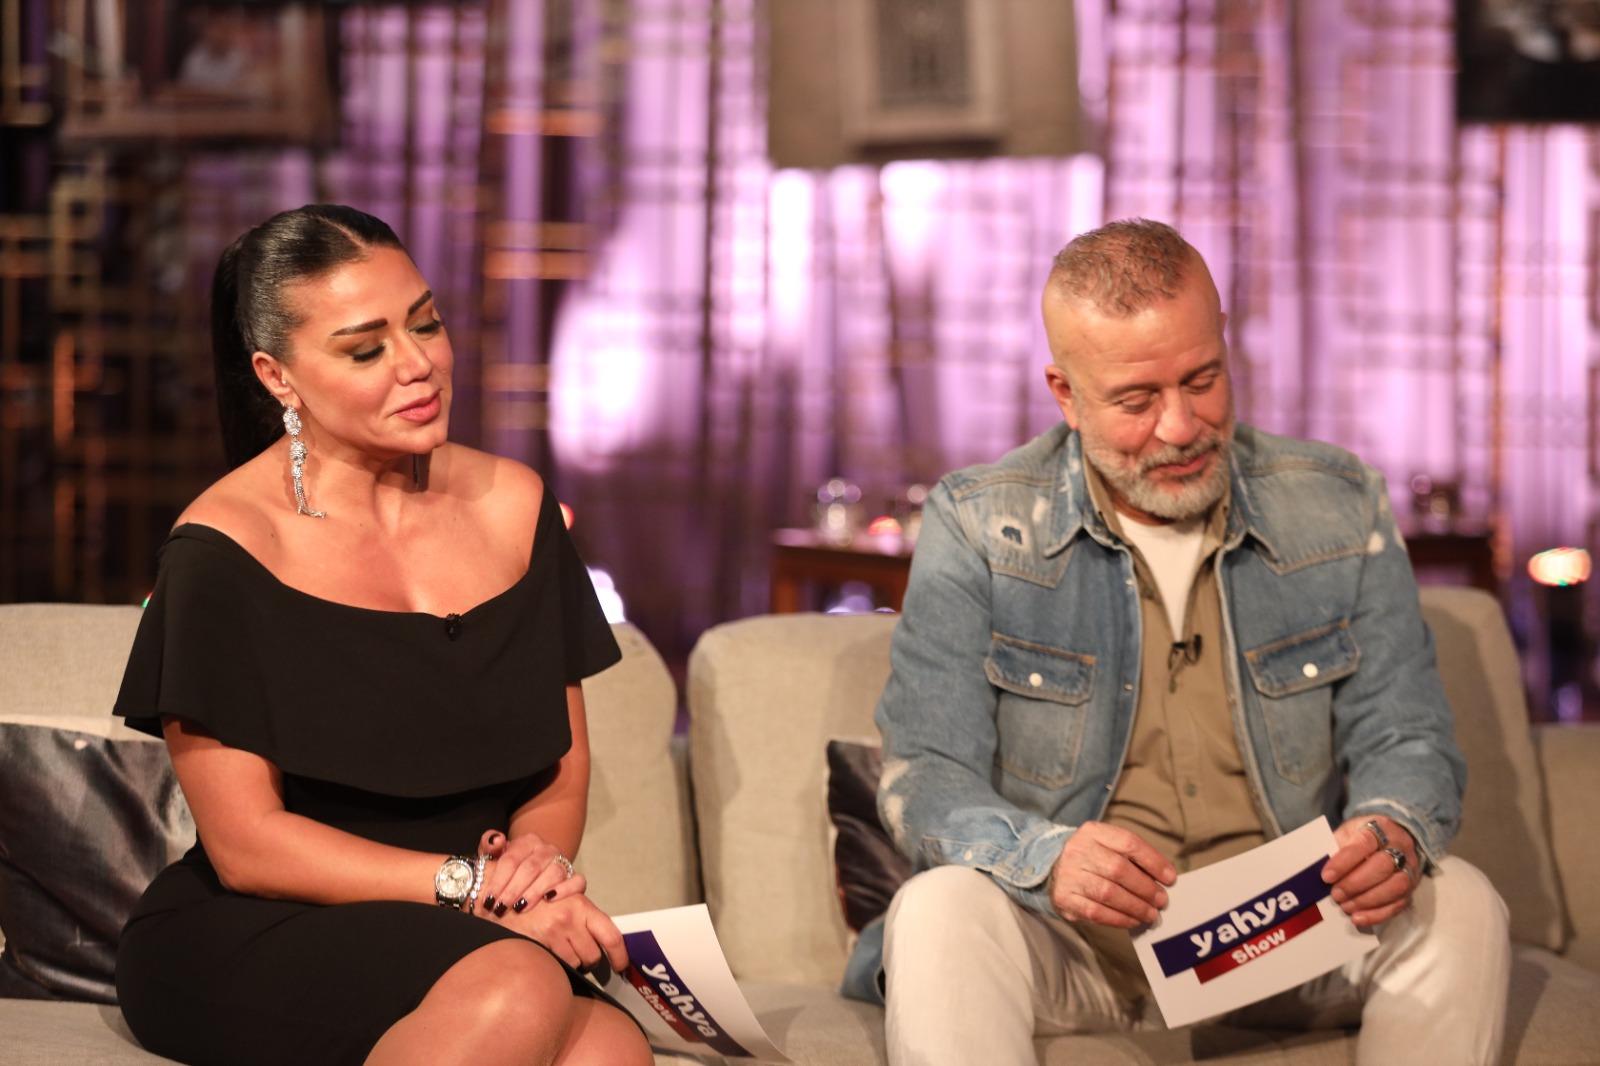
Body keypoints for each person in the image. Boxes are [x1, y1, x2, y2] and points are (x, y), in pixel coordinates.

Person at [849, 219, 1511, 1065]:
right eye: (1136, 401)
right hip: (1081, 951)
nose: (1181, 425)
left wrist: (1393, 828)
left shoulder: (1340, 503)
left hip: (1288, 939)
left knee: (1463, 902)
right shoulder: (979, 522)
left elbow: (1406, 734)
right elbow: (926, 776)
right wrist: (1046, 859)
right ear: (1066, 394)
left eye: (1203, 379)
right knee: (937, 908)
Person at [112, 204, 653, 1066]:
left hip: (473, 929)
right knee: (519, 986)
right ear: (278, 376)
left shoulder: (516, 507)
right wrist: (469, 888)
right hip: (263, 924)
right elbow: (247, 846)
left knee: (612, 1052)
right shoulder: (223, 550)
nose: (418, 363)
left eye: (425, 324)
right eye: (366, 350)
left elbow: (561, 764)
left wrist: (530, 866)